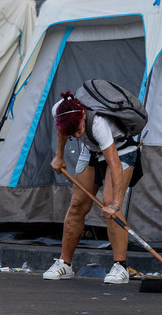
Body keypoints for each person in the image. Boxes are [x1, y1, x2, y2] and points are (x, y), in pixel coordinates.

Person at [42, 89, 137, 284]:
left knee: (109, 201)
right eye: (72, 133)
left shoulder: (99, 124)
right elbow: (62, 129)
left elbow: (114, 164)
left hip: (120, 150)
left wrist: (116, 204)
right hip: (91, 151)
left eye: (78, 129)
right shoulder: (59, 110)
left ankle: (120, 267)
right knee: (77, 204)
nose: (76, 135)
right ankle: (65, 264)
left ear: (83, 115)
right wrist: (59, 157)